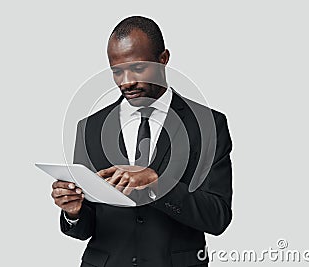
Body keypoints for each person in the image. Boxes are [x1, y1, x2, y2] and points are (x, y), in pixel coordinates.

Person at [51, 16, 233, 267]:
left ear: (164, 59)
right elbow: (84, 229)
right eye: (117, 71)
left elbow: (218, 218)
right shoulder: (89, 128)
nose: (127, 82)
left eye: (137, 69)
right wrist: (73, 212)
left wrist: (158, 184)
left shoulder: (209, 125)